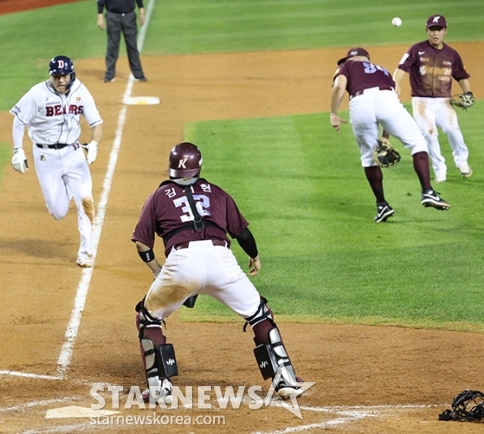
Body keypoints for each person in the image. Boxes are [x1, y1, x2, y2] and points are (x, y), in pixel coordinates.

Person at [131, 142, 304, 403]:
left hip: (181, 262)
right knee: (259, 314)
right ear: (199, 166)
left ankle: (159, 387)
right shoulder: (217, 192)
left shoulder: (158, 196)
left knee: (148, 317)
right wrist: (254, 256)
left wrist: (158, 271)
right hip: (221, 261)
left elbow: (142, 243)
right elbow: (242, 233)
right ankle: (286, 379)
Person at [330, 47, 450, 222]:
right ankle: (427, 191)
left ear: (353, 58)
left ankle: (382, 205)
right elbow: (392, 102)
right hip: (387, 98)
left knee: (368, 158)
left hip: (359, 104)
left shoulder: (347, 66)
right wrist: (385, 136)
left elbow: (340, 85)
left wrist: (333, 113)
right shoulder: (383, 70)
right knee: (418, 144)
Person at [9, 55, 103, 268]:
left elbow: (96, 122)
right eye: (57, 76)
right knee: (58, 211)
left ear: (72, 74)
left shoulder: (80, 91)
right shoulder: (37, 94)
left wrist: (94, 144)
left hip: (74, 153)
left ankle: (86, 252)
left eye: (64, 76)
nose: (61, 80)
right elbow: (19, 121)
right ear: (51, 76)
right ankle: (68, 190)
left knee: (86, 200)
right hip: (45, 157)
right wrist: (18, 151)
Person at [393, 14, 473, 183]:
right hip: (421, 102)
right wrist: (396, 83)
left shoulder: (452, 54)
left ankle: (462, 161)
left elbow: (461, 75)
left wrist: (468, 92)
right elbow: (401, 68)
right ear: (427, 30)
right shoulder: (416, 49)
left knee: (453, 130)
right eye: (432, 30)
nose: (435, 33)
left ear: (445, 31)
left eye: (439, 30)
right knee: (430, 134)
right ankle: (439, 169)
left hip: (444, 101)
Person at [97, 0, 147, 83]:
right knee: (112, 46)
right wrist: (100, 17)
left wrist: (141, 12)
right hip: (112, 16)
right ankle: (109, 75)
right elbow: (101, 1)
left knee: (132, 46)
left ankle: (138, 74)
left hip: (129, 16)